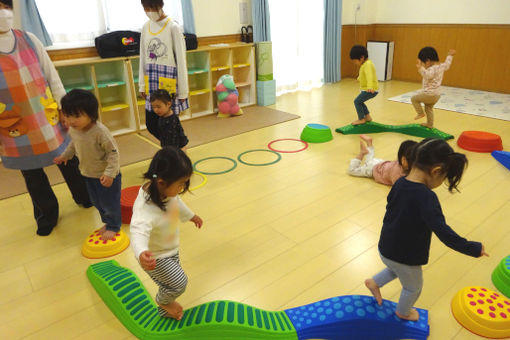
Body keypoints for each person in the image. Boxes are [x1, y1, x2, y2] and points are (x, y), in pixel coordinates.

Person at [364, 138, 488, 321]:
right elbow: (444, 233)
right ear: (436, 171)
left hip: (385, 246)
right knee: (413, 286)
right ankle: (403, 312)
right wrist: (472, 248)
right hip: (403, 254)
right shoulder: (426, 197)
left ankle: (374, 283)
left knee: (395, 268)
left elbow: (391, 207)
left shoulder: (399, 182)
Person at [0, 0, 91, 236]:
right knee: (31, 173)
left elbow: (52, 75)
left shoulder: (29, 39)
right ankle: (47, 214)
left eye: (3, 6)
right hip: (13, 125)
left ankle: (83, 195)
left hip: (46, 115)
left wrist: (65, 108)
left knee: (67, 158)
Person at [130, 146, 203, 320]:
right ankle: (162, 302)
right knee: (179, 283)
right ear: (161, 181)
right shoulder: (145, 208)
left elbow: (176, 202)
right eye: (180, 184)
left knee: (168, 284)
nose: (182, 187)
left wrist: (191, 216)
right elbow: (137, 232)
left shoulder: (166, 191)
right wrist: (141, 253)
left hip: (170, 249)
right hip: (155, 258)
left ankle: (165, 313)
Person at [54, 90, 121, 240]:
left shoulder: (100, 132)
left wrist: (110, 173)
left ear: (91, 114)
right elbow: (74, 144)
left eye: (77, 116)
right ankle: (108, 222)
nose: (71, 120)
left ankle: (114, 226)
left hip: (106, 176)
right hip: (88, 174)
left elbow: (113, 153)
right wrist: (66, 155)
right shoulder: (74, 130)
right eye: (68, 115)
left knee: (109, 203)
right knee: (97, 202)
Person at [139, 0, 189, 140]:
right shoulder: (145, 27)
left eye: (151, 7)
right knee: (151, 124)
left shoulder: (173, 27)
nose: (148, 10)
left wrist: (183, 91)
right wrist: (142, 84)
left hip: (168, 82)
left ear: (160, 5)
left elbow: (181, 60)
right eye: (145, 8)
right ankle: (178, 144)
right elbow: (143, 56)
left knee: (169, 123)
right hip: (152, 80)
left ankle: (173, 149)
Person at [411, 47, 456, 128]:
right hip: (437, 95)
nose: (424, 66)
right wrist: (450, 56)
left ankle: (420, 113)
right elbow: (447, 65)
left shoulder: (432, 69)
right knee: (428, 108)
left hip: (429, 94)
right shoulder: (441, 66)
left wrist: (420, 68)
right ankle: (430, 124)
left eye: (423, 63)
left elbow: (428, 76)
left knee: (414, 99)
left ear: (427, 61)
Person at [348, 135, 417, 186]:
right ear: (403, 160)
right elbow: (398, 187)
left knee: (370, 161)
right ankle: (362, 153)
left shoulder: (404, 165)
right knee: (352, 170)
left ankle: (369, 145)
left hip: (381, 164)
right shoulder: (397, 174)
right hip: (372, 170)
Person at [349, 45, 379, 125]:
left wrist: (370, 87)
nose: (355, 63)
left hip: (370, 89)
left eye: (355, 61)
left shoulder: (367, 65)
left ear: (361, 57)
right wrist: (358, 79)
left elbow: (369, 76)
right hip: (368, 89)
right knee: (360, 101)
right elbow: (363, 74)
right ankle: (368, 117)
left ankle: (361, 119)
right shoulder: (364, 64)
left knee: (357, 101)